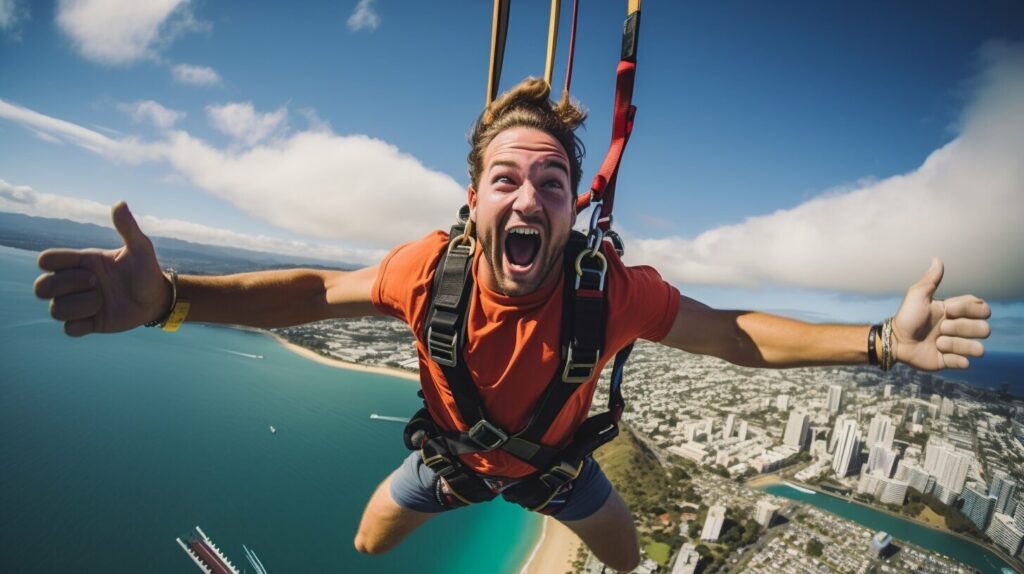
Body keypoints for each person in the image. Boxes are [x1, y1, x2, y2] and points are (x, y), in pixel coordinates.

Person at [33, 78, 991, 572]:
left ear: (573, 210)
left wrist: (878, 343)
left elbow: (733, 334)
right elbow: (315, 292)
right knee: (370, 542)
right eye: (506, 178)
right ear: (473, 201)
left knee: (622, 554)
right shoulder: (427, 269)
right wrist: (172, 303)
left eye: (551, 181)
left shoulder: (607, 290)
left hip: (559, 470)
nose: (528, 195)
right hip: (452, 460)